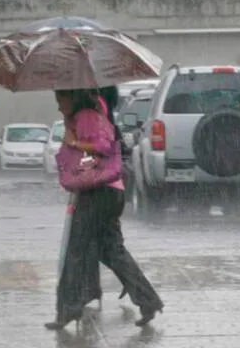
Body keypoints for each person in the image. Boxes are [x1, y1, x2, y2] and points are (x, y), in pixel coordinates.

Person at [45, 88, 164, 330]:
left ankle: (69, 309)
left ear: (74, 97)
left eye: (61, 99)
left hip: (98, 192)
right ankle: (148, 300)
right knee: (111, 251)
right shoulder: (88, 114)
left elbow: (102, 147)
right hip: (109, 191)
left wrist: (74, 141)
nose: (58, 106)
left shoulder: (87, 115)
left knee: (75, 250)